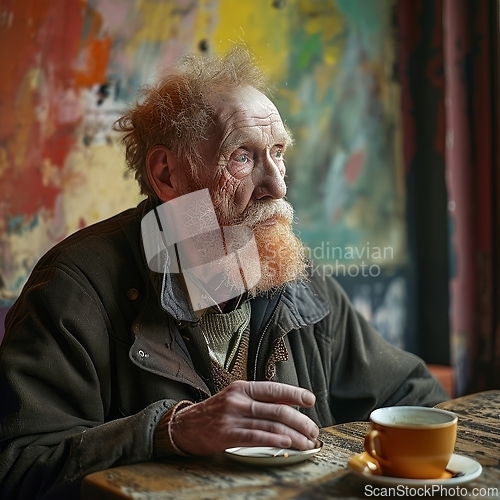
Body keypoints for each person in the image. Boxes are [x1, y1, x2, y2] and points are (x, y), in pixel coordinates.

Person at [0, 46, 447, 499]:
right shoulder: (75, 289)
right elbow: (15, 468)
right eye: (243, 157)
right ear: (167, 175)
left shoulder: (293, 273)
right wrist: (166, 432)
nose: (278, 185)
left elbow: (415, 398)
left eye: (277, 152)